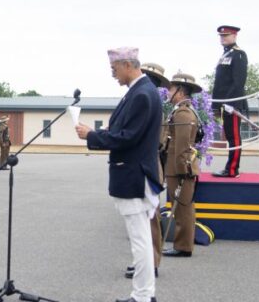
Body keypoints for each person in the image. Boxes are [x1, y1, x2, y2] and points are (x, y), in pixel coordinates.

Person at [76, 47, 162, 302]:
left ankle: (143, 296)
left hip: (134, 176)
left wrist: (92, 135)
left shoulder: (142, 94)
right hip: (135, 174)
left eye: (114, 69)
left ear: (127, 65)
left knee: (140, 241)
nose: (113, 74)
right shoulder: (140, 92)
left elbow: (128, 137)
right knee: (141, 239)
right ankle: (145, 294)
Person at [125, 63, 170, 279]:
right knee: (142, 219)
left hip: (149, 165)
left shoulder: (150, 102)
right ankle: (143, 261)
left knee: (150, 218)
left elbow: (159, 142)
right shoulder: (143, 100)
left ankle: (151, 263)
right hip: (142, 165)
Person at [162, 73, 202, 258]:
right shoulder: (180, 110)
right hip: (177, 167)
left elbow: (182, 146)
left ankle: (183, 247)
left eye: (171, 89)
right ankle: (183, 245)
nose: (168, 92)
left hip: (180, 168)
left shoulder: (183, 112)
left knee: (183, 208)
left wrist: (181, 171)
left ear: (180, 91)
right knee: (180, 207)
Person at [212, 25, 248, 178]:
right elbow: (219, 83)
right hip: (223, 104)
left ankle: (232, 170)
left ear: (234, 36)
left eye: (226, 35)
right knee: (229, 135)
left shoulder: (239, 55)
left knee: (234, 137)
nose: (223, 38)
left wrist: (230, 103)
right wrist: (215, 105)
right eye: (221, 36)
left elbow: (238, 82)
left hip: (232, 104)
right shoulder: (225, 55)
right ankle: (230, 168)